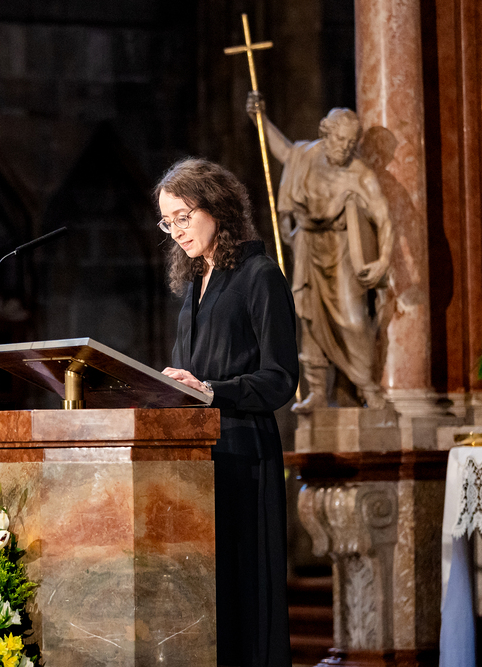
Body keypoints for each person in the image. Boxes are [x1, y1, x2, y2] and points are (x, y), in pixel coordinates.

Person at [158, 158, 298, 667]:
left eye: (184, 217)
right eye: (167, 222)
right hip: (199, 456)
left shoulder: (259, 275)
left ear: (216, 207)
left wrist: (211, 390)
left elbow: (280, 377)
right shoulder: (196, 284)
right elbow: (190, 374)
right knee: (208, 592)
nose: (177, 231)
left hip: (243, 452)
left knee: (245, 586)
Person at [246, 92, 393, 412]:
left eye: (351, 143)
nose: (345, 148)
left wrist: (383, 260)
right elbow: (284, 151)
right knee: (310, 322)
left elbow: (384, 218)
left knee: (354, 321)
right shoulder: (306, 155)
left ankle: (367, 386)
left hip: (343, 251)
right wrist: (261, 119)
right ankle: (316, 392)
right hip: (309, 247)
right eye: (340, 140)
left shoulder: (360, 174)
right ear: (326, 134)